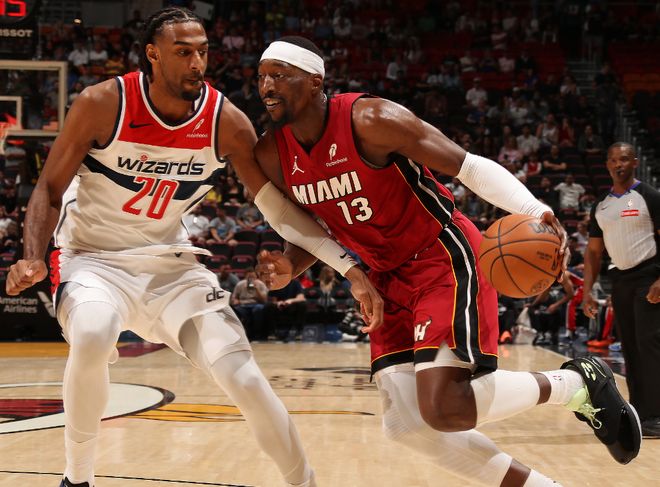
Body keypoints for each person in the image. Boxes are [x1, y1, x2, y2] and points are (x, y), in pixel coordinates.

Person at [4, 10, 382, 487]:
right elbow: (48, 188)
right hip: (93, 259)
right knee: (94, 332)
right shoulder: (103, 103)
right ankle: (77, 479)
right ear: (153, 55)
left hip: (171, 265)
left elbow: (280, 212)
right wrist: (32, 255)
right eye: (183, 52)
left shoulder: (226, 123)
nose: (197, 63)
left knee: (243, 376)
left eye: (203, 51)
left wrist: (349, 268)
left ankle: (304, 482)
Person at [253, 36, 641, 486]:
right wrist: (290, 263)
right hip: (383, 277)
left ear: (315, 81)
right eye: (261, 77)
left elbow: (467, 166)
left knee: (444, 407)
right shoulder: (273, 153)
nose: (267, 86)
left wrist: (534, 209)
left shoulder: (370, 120)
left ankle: (577, 384)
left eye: (279, 75)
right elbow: (317, 225)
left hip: (440, 255)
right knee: (406, 425)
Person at [582, 142, 660, 439]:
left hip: (649, 276)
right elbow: (593, 252)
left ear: (635, 162)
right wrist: (588, 290)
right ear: (607, 165)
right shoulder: (601, 205)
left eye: (625, 159)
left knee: (649, 344)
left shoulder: (649, 196)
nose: (619, 164)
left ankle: (656, 414)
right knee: (630, 347)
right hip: (621, 280)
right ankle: (641, 412)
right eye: (614, 160)